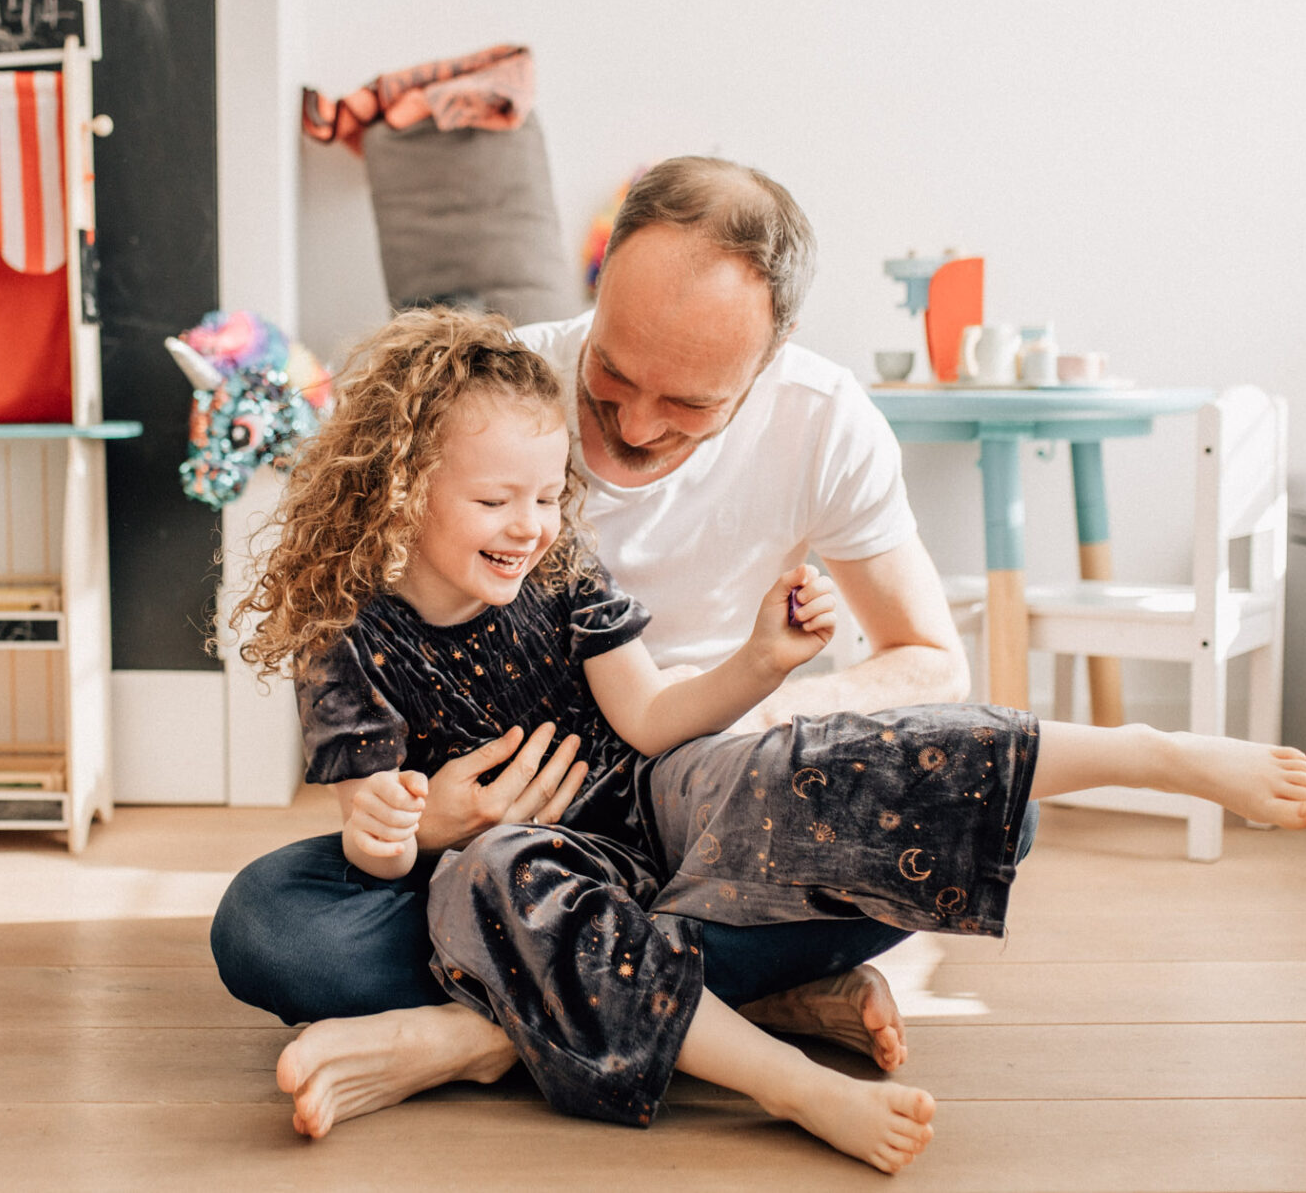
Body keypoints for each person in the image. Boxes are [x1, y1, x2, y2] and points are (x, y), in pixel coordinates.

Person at [225, 309, 1306, 1172]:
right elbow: (373, 844)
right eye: (498, 501)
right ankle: (793, 1077)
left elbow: (652, 718)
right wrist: (415, 828)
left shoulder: (560, 568)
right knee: (412, 897)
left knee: (808, 768)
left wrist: (763, 662)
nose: (532, 525)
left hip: (657, 802)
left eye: (548, 496)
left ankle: (1146, 751)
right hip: (524, 868)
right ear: (409, 488)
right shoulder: (352, 635)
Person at [211, 158, 999, 1093]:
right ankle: (728, 994)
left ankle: (478, 1037)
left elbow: (927, 659)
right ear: (604, 278)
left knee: (991, 806)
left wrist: (742, 726)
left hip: (700, 814)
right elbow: (360, 616)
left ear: (772, 352)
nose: (630, 421)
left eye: (689, 403)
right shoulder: (490, 394)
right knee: (271, 928)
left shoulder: (824, 422)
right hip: (486, 856)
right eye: (612, 375)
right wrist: (427, 818)